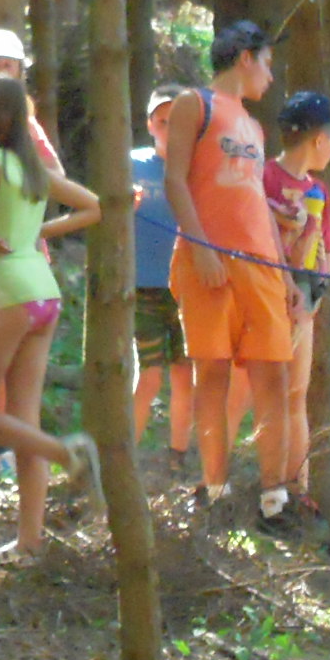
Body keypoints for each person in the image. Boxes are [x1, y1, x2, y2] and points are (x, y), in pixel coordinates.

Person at [0, 75, 103, 558]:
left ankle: (67, 453)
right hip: (43, 293)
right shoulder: (35, 168)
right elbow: (94, 207)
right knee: (24, 422)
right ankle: (29, 542)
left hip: (7, 296)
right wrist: (40, 232)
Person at [162, 20, 303, 531]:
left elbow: (255, 200)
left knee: (273, 375)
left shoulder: (254, 127)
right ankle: (215, 490)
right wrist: (200, 247)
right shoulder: (193, 105)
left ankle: (274, 499)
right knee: (213, 376)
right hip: (208, 264)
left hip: (261, 266)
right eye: (267, 62)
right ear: (245, 57)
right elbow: (174, 179)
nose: (271, 75)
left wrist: (285, 273)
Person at [263, 89, 330, 528]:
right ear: (318, 139)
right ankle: (267, 487)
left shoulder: (319, 190)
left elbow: (327, 248)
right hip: (266, 294)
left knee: (296, 394)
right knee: (266, 392)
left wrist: (316, 293)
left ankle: (297, 488)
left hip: (303, 303)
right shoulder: (264, 177)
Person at [130, 85, 195, 465]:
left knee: (185, 373)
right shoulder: (132, 164)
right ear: (150, 124)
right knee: (150, 374)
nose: (169, 129)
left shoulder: (197, 167)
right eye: (162, 121)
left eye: (177, 121)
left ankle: (177, 456)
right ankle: (126, 455)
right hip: (143, 286)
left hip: (186, 287)